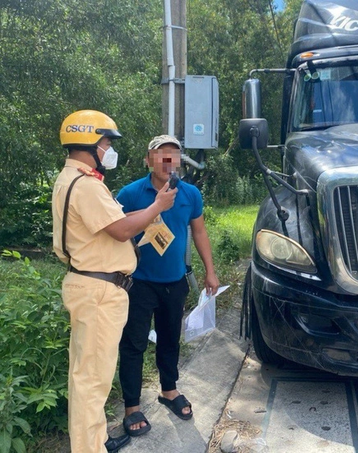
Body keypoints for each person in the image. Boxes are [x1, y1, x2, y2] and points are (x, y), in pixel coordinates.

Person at [52, 110, 178, 453]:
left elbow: (117, 222)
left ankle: (94, 439)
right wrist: (158, 206)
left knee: (90, 375)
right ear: (90, 143)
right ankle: (89, 447)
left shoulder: (74, 179)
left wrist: (147, 216)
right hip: (98, 291)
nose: (109, 147)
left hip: (92, 286)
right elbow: (122, 228)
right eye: (106, 141)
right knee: (92, 380)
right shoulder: (87, 186)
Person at [117, 134, 219, 437]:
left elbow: (199, 233)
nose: (167, 160)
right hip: (138, 283)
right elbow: (115, 232)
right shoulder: (131, 193)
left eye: (174, 155)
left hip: (175, 282)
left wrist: (210, 272)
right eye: (161, 154)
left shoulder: (190, 194)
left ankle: (169, 391)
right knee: (133, 344)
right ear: (149, 159)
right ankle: (132, 407)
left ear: (179, 161)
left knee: (169, 340)